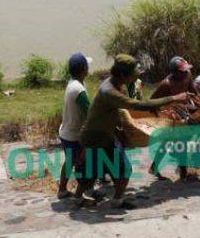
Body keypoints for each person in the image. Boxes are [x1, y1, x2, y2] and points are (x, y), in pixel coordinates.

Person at [75, 54, 188, 209]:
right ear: (122, 75)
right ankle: (80, 198)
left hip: (107, 135)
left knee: (119, 170)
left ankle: (116, 200)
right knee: (96, 172)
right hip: (94, 138)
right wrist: (174, 98)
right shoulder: (109, 91)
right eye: (133, 75)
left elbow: (123, 110)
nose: (135, 78)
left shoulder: (117, 85)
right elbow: (138, 105)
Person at [148, 56, 200, 180]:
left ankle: (156, 167)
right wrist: (161, 119)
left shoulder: (188, 75)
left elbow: (195, 93)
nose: (185, 72)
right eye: (182, 71)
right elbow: (152, 103)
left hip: (184, 112)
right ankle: (183, 173)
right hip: (171, 116)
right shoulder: (166, 84)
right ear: (174, 72)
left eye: (186, 69)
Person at [57, 53, 92, 199]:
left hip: (66, 132)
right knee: (83, 163)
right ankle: (81, 194)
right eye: (87, 66)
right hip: (74, 135)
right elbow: (90, 115)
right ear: (83, 69)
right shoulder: (79, 90)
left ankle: (63, 190)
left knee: (70, 161)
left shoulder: (73, 83)